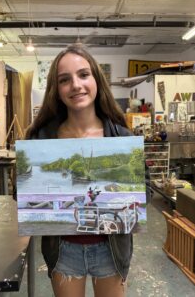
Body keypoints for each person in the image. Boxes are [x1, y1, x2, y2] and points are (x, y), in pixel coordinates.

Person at [26, 45, 133, 297]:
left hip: (111, 249)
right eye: (65, 79)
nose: (76, 85)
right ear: (57, 88)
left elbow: (143, 193)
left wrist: (124, 196)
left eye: (83, 75)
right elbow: (25, 198)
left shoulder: (120, 136)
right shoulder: (41, 139)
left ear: (96, 79)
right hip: (64, 249)